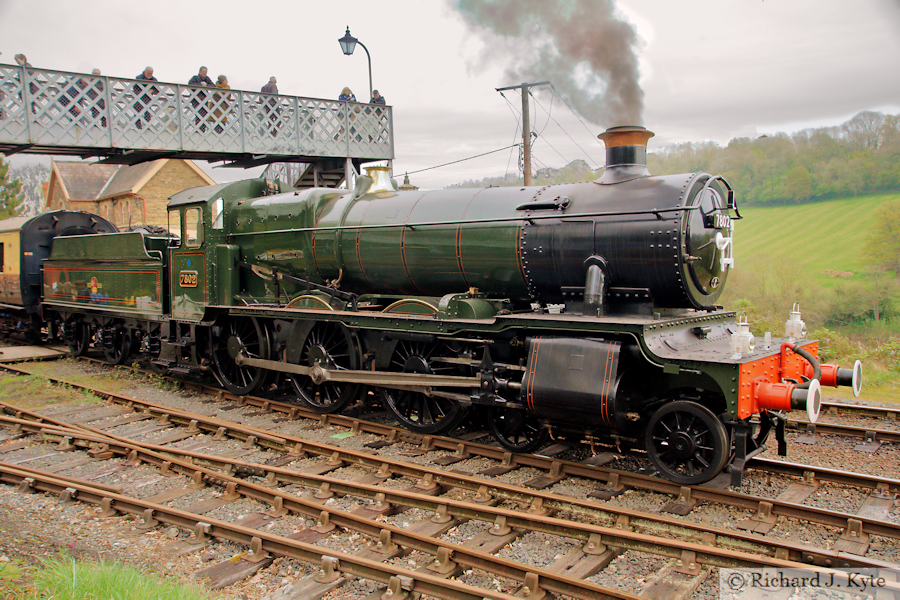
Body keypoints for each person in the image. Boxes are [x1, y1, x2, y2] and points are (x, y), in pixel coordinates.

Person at [188, 67, 214, 131]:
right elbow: (190, 84)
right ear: (200, 72)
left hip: (204, 100)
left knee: (204, 115)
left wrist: (206, 85)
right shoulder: (195, 78)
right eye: (203, 71)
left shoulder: (207, 79)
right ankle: (198, 130)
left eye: (206, 71)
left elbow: (213, 86)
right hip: (196, 100)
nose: (205, 73)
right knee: (199, 115)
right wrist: (200, 85)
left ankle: (202, 130)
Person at [133, 66, 158, 130]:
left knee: (147, 114)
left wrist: (152, 90)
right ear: (145, 72)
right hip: (139, 99)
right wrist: (144, 91)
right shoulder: (139, 78)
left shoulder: (154, 80)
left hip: (148, 100)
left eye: (151, 73)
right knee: (137, 113)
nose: (150, 75)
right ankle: (138, 128)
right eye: (148, 73)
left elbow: (157, 90)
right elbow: (135, 88)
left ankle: (148, 127)